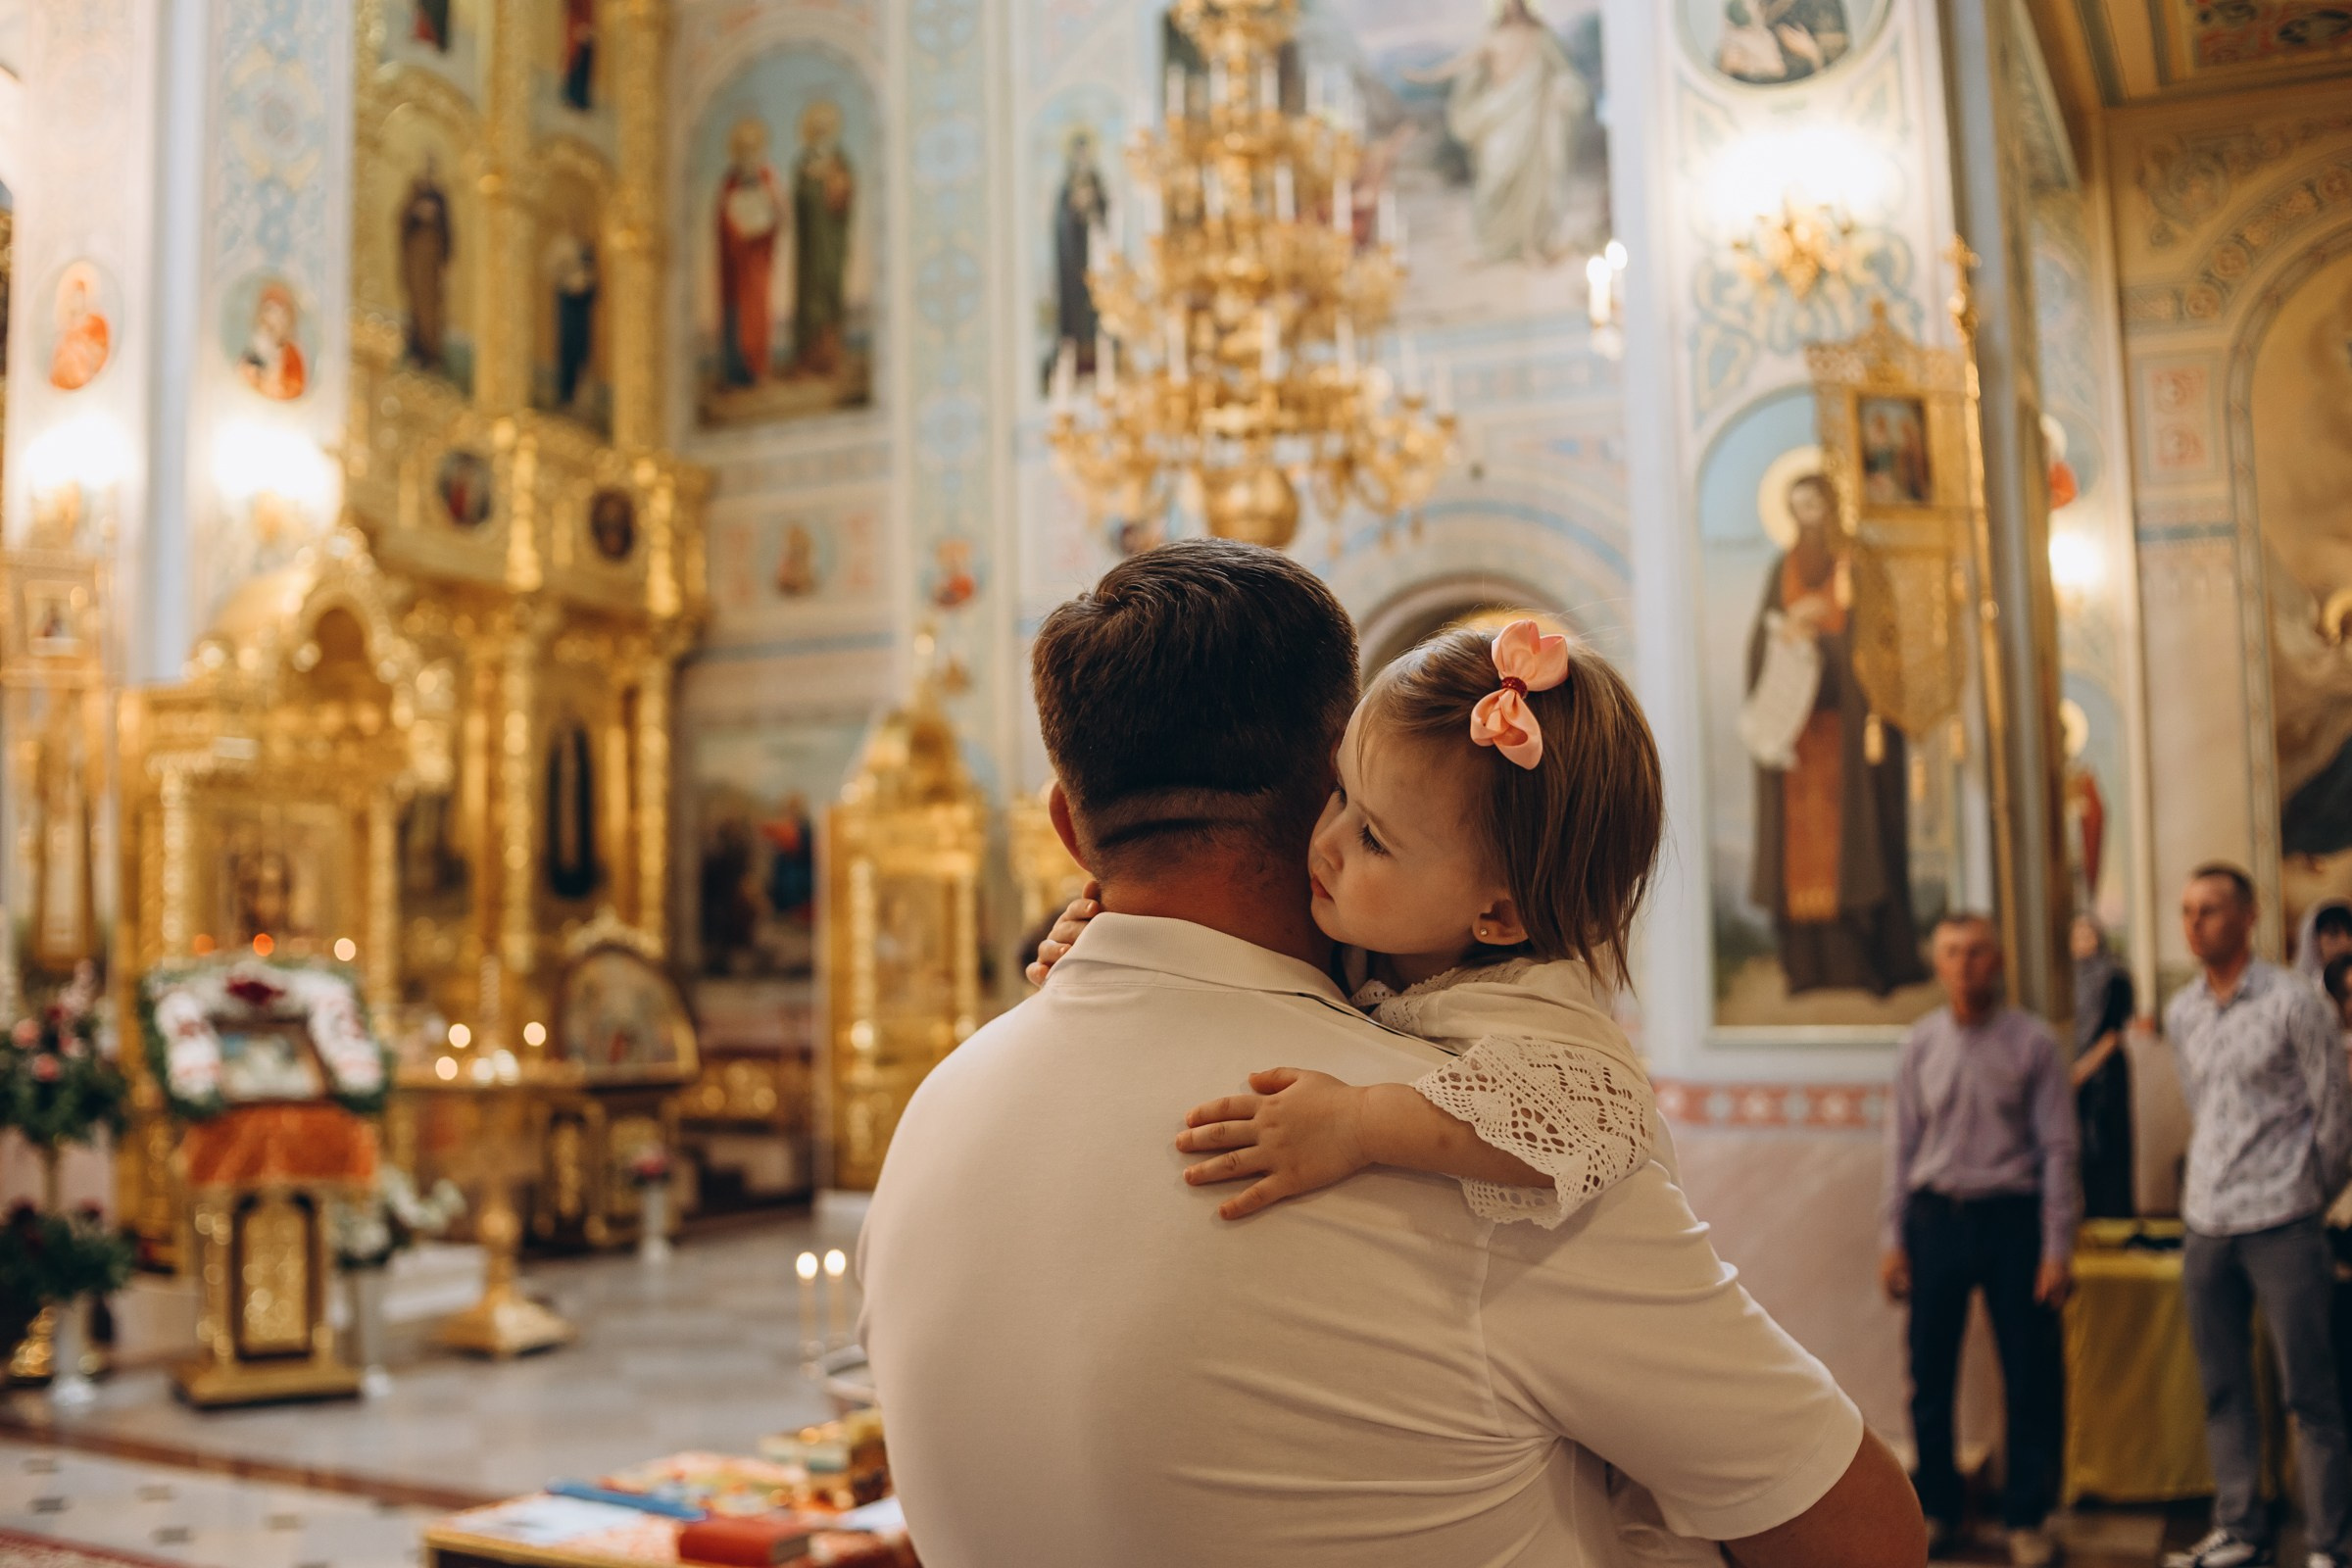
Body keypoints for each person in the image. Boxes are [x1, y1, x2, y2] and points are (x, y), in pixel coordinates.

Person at [859, 539, 1925, 1568]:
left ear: (1071, 828)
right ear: (1335, 771)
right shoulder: (1469, 1157)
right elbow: (1866, 1536)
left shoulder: (929, 1119)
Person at [2165, 862, 2352, 1568]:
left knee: (2310, 1392)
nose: (2195, 923)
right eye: (2186, 910)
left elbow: (2336, 1115)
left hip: (2282, 1221)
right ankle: (2242, 1528)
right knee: (2223, 1386)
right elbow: (2202, 1106)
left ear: (2248, 917)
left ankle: (2329, 1545)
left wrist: (2305, 1192)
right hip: (2207, 1221)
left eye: (2210, 909)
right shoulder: (2184, 1011)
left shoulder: (2294, 1002)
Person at [1880, 913, 2076, 1567]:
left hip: (2013, 1222)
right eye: (1953, 952)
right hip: (1936, 1220)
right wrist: (1892, 1237)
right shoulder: (1920, 1045)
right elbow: (1900, 1148)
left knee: (2030, 1376)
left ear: (1998, 961)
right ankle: (1935, 1511)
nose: (1965, 964)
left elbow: (2058, 1150)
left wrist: (2056, 1248)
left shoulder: (2035, 1044)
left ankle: (2028, 1517)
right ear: (1939, 964)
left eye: (1978, 952)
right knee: (1928, 1375)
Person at [1743, 472, 1926, 998]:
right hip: (1798, 742)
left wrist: (1828, 648)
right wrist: (1786, 635)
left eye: (1816, 506)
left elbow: (1881, 642)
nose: (1808, 518)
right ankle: (1806, 967)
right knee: (1800, 858)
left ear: (1832, 507)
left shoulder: (1859, 563)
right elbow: (1759, 642)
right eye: (1798, 508)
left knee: (1858, 845)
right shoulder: (1782, 568)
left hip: (1849, 737)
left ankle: (1867, 963)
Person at [2071, 914, 2137, 1220]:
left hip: (2104, 1076)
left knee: (2107, 1153)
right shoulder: (2068, 978)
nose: (2083, 942)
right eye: (2077, 935)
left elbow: (2114, 1033)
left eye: (2088, 934)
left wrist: (2081, 1071)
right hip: (2075, 1078)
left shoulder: (2113, 975)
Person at [715, 119, 784, 388]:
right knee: (736, 315)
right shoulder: (730, 182)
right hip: (736, 264)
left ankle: (757, 368)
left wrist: (768, 216)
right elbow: (722, 220)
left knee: (757, 313)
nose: (748, 153)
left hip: (758, 262)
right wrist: (736, 232)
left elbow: (779, 213)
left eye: (753, 147)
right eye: (742, 148)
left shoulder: (767, 177)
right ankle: (737, 371)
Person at [2297, 898, 2352, 992]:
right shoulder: (2306, 989)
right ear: (2315, 941)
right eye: (2333, 934)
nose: (2345, 942)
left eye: (2349, 933)